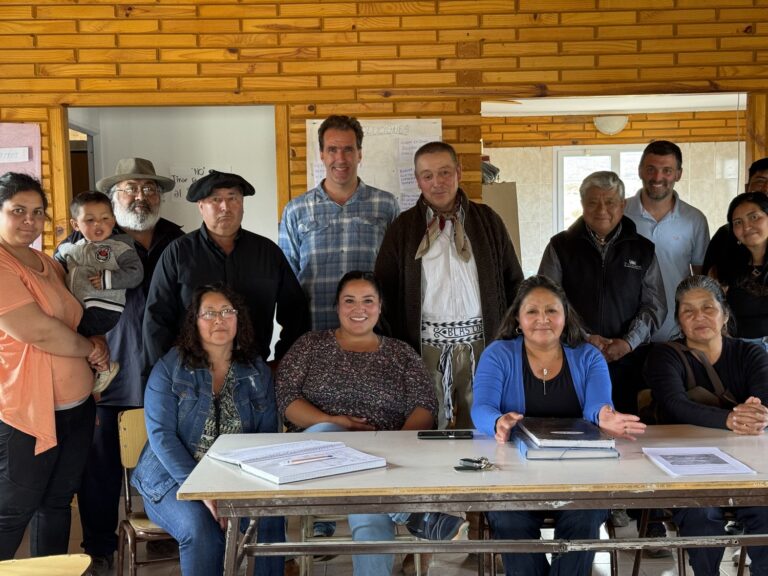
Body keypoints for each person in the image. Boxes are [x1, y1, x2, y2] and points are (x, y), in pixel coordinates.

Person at [277, 271, 468, 576]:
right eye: (349, 301)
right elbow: (286, 399)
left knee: (371, 509)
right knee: (330, 435)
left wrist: (394, 444)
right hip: (318, 458)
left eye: (368, 300)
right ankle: (409, 512)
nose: (359, 308)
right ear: (337, 307)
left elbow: (425, 406)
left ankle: (392, 505)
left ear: (380, 306)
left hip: (384, 460)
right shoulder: (310, 345)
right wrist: (333, 421)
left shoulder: (400, 352)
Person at [56, 157, 184, 574]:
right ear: (113, 199)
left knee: (164, 459)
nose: (140, 196)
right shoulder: (82, 246)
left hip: (164, 376)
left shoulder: (177, 241)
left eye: (149, 189)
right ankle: (99, 548)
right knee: (100, 468)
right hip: (104, 372)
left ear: (160, 196)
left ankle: (164, 531)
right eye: (129, 189)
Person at [471, 275, 645, 576]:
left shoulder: (588, 356)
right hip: (514, 474)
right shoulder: (498, 354)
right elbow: (482, 407)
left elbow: (597, 405)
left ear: (566, 316)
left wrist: (605, 415)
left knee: (586, 516)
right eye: (532, 312)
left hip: (579, 474)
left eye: (551, 310)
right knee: (509, 519)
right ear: (517, 319)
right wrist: (497, 422)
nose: (543, 319)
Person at [131, 284, 285, 576]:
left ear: (239, 319)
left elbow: (267, 437)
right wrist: (203, 491)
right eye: (209, 313)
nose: (219, 320)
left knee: (269, 517)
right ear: (194, 321)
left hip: (236, 478)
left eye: (227, 311)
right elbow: (162, 437)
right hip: (170, 479)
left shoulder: (256, 371)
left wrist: (236, 492)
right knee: (200, 526)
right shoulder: (169, 368)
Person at [375, 141, 523, 430]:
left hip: (482, 345)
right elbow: (384, 292)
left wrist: (509, 336)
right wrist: (397, 349)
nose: (437, 182)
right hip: (424, 350)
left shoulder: (488, 221)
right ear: (418, 180)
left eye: (444, 172)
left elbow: (514, 280)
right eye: (427, 176)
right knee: (429, 428)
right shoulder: (403, 229)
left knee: (482, 427)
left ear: (459, 171)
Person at [0, 172, 109, 560]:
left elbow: (72, 317)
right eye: (18, 211)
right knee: (14, 509)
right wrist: (87, 350)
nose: (29, 220)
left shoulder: (48, 261)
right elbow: (39, 331)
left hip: (76, 407)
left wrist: (95, 341)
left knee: (58, 502)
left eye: (37, 212)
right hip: (26, 412)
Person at [644, 275, 768, 576]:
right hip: (686, 463)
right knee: (700, 513)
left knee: (765, 511)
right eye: (688, 311)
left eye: (707, 308)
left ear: (724, 314)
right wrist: (730, 419)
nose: (698, 317)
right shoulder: (665, 356)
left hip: (748, 463)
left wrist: (758, 414)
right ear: (678, 320)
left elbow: (764, 399)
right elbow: (675, 404)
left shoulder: (751, 353)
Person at [143, 169, 309, 375]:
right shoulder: (178, 253)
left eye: (233, 199)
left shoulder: (267, 253)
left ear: (242, 205)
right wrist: (168, 374)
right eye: (216, 199)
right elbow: (156, 320)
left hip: (254, 373)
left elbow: (296, 313)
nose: (225, 207)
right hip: (192, 375)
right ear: (201, 206)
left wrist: (283, 362)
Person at [539, 170, 666, 414]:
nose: (602, 210)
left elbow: (655, 305)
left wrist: (628, 343)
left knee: (623, 429)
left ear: (623, 204)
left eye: (609, 202)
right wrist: (584, 337)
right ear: (582, 205)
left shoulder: (643, 249)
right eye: (593, 202)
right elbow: (547, 301)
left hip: (628, 362)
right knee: (575, 425)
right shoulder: (560, 246)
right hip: (572, 355)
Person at [279, 114, 400, 330]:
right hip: (315, 333)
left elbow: (396, 273)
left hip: (372, 334)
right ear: (322, 155)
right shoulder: (296, 210)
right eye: (333, 150)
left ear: (359, 154)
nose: (341, 159)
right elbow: (287, 280)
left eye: (348, 149)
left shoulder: (386, 205)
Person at [56, 190, 144, 392]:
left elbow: (136, 273)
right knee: (73, 337)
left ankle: (102, 367)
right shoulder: (68, 248)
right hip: (79, 306)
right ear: (75, 225)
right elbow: (56, 270)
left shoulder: (120, 246)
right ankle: (98, 368)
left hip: (105, 306)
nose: (98, 224)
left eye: (105, 218)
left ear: (113, 220)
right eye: (90, 220)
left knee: (73, 337)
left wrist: (108, 279)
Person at [625, 140, 710, 342]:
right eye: (651, 169)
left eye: (667, 170)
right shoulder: (619, 213)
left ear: (678, 174)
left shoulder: (694, 219)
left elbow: (701, 279)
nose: (657, 177)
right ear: (640, 171)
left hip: (675, 331)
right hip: (625, 333)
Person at [703, 157, 768, 278]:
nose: (766, 188)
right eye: (760, 181)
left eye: (755, 217)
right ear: (747, 187)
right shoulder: (725, 235)